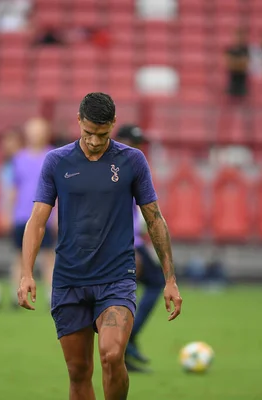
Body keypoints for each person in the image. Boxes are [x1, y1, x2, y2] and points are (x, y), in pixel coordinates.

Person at [17, 92, 182, 400]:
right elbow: (37, 221)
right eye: (88, 133)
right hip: (69, 281)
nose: (94, 141)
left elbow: (155, 220)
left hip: (115, 279)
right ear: (78, 121)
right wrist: (27, 273)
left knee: (111, 354)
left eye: (102, 134)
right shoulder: (57, 161)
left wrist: (170, 278)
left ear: (113, 125)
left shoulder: (132, 161)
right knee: (79, 371)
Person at [114, 124, 165, 373]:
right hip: (124, 244)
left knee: (153, 285)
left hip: (134, 240)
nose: (138, 147)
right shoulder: (118, 168)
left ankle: (127, 342)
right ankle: (124, 345)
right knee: (124, 297)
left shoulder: (131, 166)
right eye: (134, 142)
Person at [7, 118, 55, 307]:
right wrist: (8, 212)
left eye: (39, 131)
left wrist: (58, 214)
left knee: (48, 256)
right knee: (19, 255)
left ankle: (51, 295)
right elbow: (13, 188)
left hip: (45, 216)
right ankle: (15, 294)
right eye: (32, 131)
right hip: (22, 215)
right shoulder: (19, 158)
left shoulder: (53, 155)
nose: (35, 135)